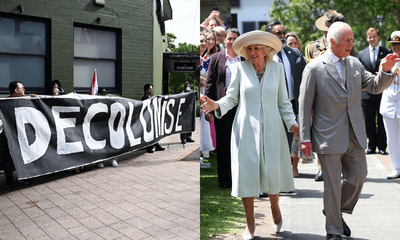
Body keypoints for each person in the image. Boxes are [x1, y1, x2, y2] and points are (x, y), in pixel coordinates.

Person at [299, 22, 399, 240]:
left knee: (359, 176)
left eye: (352, 39)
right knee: (332, 184)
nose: (352, 44)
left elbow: (374, 86)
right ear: (332, 41)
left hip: (355, 133)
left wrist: (386, 70)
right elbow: (305, 106)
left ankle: (333, 210)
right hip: (327, 136)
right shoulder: (314, 68)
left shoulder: (354, 63)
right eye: (348, 40)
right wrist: (304, 138)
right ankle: (333, 230)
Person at [202, 30, 299, 239]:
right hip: (244, 129)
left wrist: (293, 125)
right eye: (250, 48)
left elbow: (284, 103)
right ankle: (250, 222)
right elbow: (231, 99)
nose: (253, 51)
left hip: (273, 129)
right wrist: (216, 104)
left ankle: (275, 207)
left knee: (272, 172)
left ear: (266, 50)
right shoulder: (239, 69)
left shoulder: (277, 69)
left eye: (256, 48)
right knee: (246, 174)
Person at [303, 9, 346, 182]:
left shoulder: (346, 43)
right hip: (320, 95)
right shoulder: (313, 47)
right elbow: (310, 71)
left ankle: (340, 166)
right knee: (322, 132)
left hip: (339, 95)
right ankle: (322, 167)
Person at [265, 21, 306, 179]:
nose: (282, 36)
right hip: (270, 107)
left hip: (290, 107)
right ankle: (271, 179)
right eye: (278, 33)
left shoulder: (294, 54)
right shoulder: (264, 55)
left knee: (287, 147)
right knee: (271, 145)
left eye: (283, 33)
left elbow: (304, 80)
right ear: (270, 35)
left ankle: (283, 180)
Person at [205, 28, 242, 189]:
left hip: (242, 106)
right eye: (229, 38)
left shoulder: (245, 59)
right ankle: (225, 180)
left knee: (241, 143)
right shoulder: (216, 58)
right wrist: (209, 108)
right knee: (223, 143)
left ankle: (239, 177)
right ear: (224, 40)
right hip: (221, 106)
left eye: (235, 38)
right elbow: (209, 83)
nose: (232, 41)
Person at [357, 27, 389, 155]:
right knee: (369, 121)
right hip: (366, 93)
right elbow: (358, 71)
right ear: (367, 38)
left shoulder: (386, 52)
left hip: (381, 91)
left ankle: (382, 146)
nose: (372, 39)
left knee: (381, 120)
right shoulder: (361, 54)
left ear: (378, 37)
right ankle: (371, 146)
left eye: (374, 36)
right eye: (369, 37)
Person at [2, 81, 35, 187]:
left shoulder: (5, 102)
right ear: (16, 90)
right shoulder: (10, 102)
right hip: (15, 135)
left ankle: (9, 182)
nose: (24, 90)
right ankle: (23, 178)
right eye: (22, 88)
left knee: (9, 157)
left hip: (12, 134)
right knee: (18, 157)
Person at [380, 31, 400, 179]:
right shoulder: (385, 61)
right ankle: (396, 167)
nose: (396, 47)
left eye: (398, 44)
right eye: (393, 44)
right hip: (389, 104)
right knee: (391, 138)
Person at [96, 88, 118, 168]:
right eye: (102, 94)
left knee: (111, 142)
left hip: (109, 125)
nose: (104, 95)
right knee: (100, 143)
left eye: (105, 94)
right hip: (99, 126)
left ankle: (113, 159)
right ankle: (100, 160)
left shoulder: (109, 101)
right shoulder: (95, 102)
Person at [142, 83, 166, 153]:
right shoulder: (145, 98)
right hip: (148, 118)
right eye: (150, 89)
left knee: (155, 132)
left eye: (152, 89)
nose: (151, 90)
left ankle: (157, 145)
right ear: (146, 90)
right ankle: (149, 147)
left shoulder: (152, 98)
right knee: (149, 133)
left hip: (153, 118)